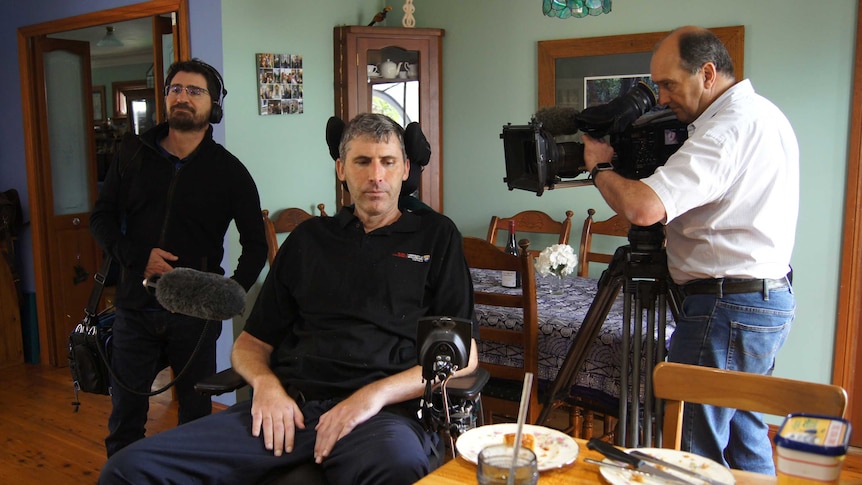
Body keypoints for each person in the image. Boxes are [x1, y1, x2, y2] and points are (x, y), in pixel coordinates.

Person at [98, 113, 479, 485]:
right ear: (341, 169)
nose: (376, 176)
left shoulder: (435, 237)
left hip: (383, 419)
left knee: (395, 466)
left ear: (405, 168)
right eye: (362, 161)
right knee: (129, 468)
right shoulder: (308, 241)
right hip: (289, 411)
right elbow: (250, 343)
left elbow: (464, 356)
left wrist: (371, 397)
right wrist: (266, 387)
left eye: (387, 162)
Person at [582, 26, 799, 474]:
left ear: (706, 73)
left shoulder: (726, 130)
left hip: (727, 306)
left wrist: (599, 167)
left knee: (693, 449)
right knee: (744, 433)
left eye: (668, 84)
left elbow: (644, 208)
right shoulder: (763, 114)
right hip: (760, 299)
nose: (661, 98)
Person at [90, 59, 268, 458]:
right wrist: (136, 256)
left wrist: (227, 295)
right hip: (135, 308)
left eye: (195, 91)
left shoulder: (230, 172)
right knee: (125, 417)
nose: (182, 97)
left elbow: (256, 245)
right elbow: (100, 218)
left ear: (214, 107)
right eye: (175, 90)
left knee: (196, 418)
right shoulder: (131, 154)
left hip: (195, 317)